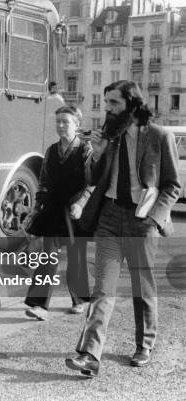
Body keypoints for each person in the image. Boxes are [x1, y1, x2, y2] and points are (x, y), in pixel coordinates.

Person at [65, 80, 181, 377]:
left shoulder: (158, 136)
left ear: (132, 104)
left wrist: (153, 219)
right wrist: (96, 151)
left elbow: (172, 187)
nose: (108, 109)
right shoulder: (110, 137)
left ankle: (145, 344)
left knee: (142, 288)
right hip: (109, 218)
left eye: (114, 103)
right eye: (106, 103)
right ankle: (90, 355)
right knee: (103, 288)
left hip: (142, 221)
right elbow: (92, 178)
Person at [23, 106, 92, 321]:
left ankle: (80, 300)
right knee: (48, 257)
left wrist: (80, 204)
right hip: (53, 210)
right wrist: (35, 210)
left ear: (77, 125)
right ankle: (39, 305)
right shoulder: (51, 150)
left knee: (76, 258)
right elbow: (43, 182)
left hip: (75, 213)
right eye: (58, 121)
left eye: (66, 122)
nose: (61, 125)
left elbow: (92, 184)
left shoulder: (85, 150)